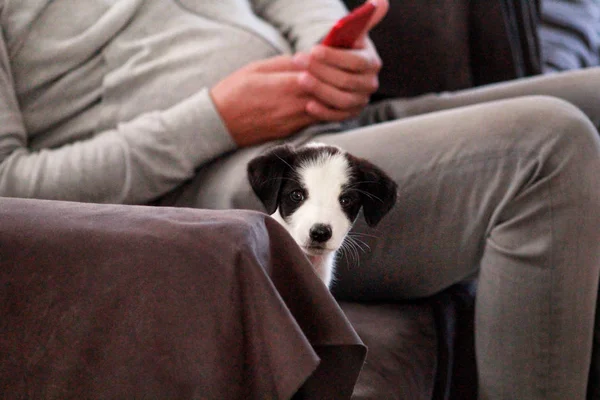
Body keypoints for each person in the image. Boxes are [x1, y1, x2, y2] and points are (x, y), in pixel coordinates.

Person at [1, 0, 599, 398]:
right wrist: (217, 120)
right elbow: (10, 184)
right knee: (549, 149)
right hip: (211, 183)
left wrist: (334, 51)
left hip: (326, 124)